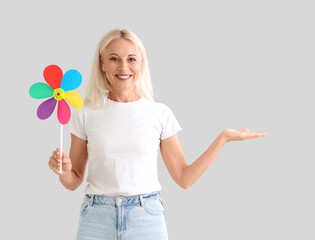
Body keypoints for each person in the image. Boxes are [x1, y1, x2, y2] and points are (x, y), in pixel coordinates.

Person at [48, 28, 269, 240]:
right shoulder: (86, 114)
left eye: (131, 59)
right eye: (114, 58)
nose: (123, 66)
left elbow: (184, 178)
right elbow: (72, 181)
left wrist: (222, 139)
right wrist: (64, 171)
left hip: (146, 217)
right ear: (102, 64)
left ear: (141, 63)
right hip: (96, 217)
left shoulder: (159, 113)